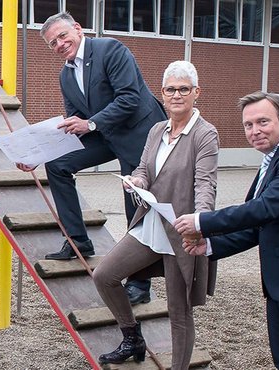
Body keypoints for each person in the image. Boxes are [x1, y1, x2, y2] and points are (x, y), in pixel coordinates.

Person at [174, 91, 279, 370]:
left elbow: (264, 209)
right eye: (248, 125)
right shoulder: (271, 161)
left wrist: (201, 221)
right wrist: (212, 245)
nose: (255, 131)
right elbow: (258, 226)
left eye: (263, 122)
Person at [21, 11, 168, 304]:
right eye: (53, 43)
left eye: (63, 36)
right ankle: (78, 240)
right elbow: (76, 120)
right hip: (105, 134)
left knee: (135, 205)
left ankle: (140, 285)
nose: (60, 44)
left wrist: (90, 123)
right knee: (58, 164)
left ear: (77, 29)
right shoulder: (66, 75)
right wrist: (41, 153)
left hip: (139, 133)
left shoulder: (110, 49)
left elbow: (129, 98)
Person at [91, 61, 218, 368]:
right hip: (150, 223)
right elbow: (144, 169)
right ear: (162, 93)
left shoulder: (205, 134)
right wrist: (137, 181)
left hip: (182, 232)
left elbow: (206, 184)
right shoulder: (157, 130)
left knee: (179, 312)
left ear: (196, 93)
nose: (177, 95)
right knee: (104, 275)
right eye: (171, 89)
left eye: (184, 89)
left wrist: (200, 220)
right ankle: (132, 337)